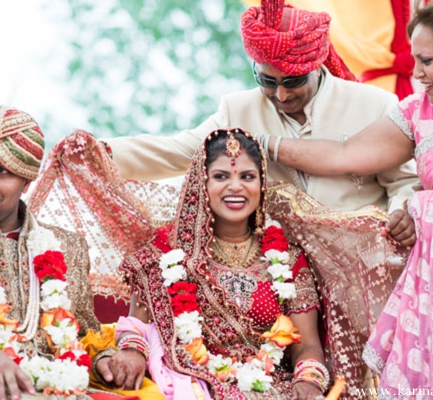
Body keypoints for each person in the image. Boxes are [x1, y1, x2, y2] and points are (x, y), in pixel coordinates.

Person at [261, 0, 433, 395]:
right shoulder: (420, 111)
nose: (417, 73)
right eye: (415, 59)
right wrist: (266, 144)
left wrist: (422, 208)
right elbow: (345, 154)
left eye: (427, 60)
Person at [103, 0, 420, 247]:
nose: (280, 94)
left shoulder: (374, 103)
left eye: (293, 81)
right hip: (281, 272)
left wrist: (401, 212)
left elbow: (403, 181)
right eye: (266, 80)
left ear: (317, 64)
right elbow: (174, 151)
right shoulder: (237, 110)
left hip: (364, 264)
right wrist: (98, 153)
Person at [0, 102, 162, 400]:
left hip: (65, 391)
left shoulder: (67, 246)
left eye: (2, 172)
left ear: (27, 181)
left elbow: (82, 333)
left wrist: (103, 360)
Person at [88, 129, 329, 399]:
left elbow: (307, 345)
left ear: (262, 184)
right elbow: (137, 326)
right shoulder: (165, 253)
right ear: (201, 184)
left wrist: (308, 381)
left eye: (247, 176)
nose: (236, 186)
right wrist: (132, 351)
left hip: (273, 387)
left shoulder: (289, 259)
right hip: (190, 383)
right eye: (221, 176)